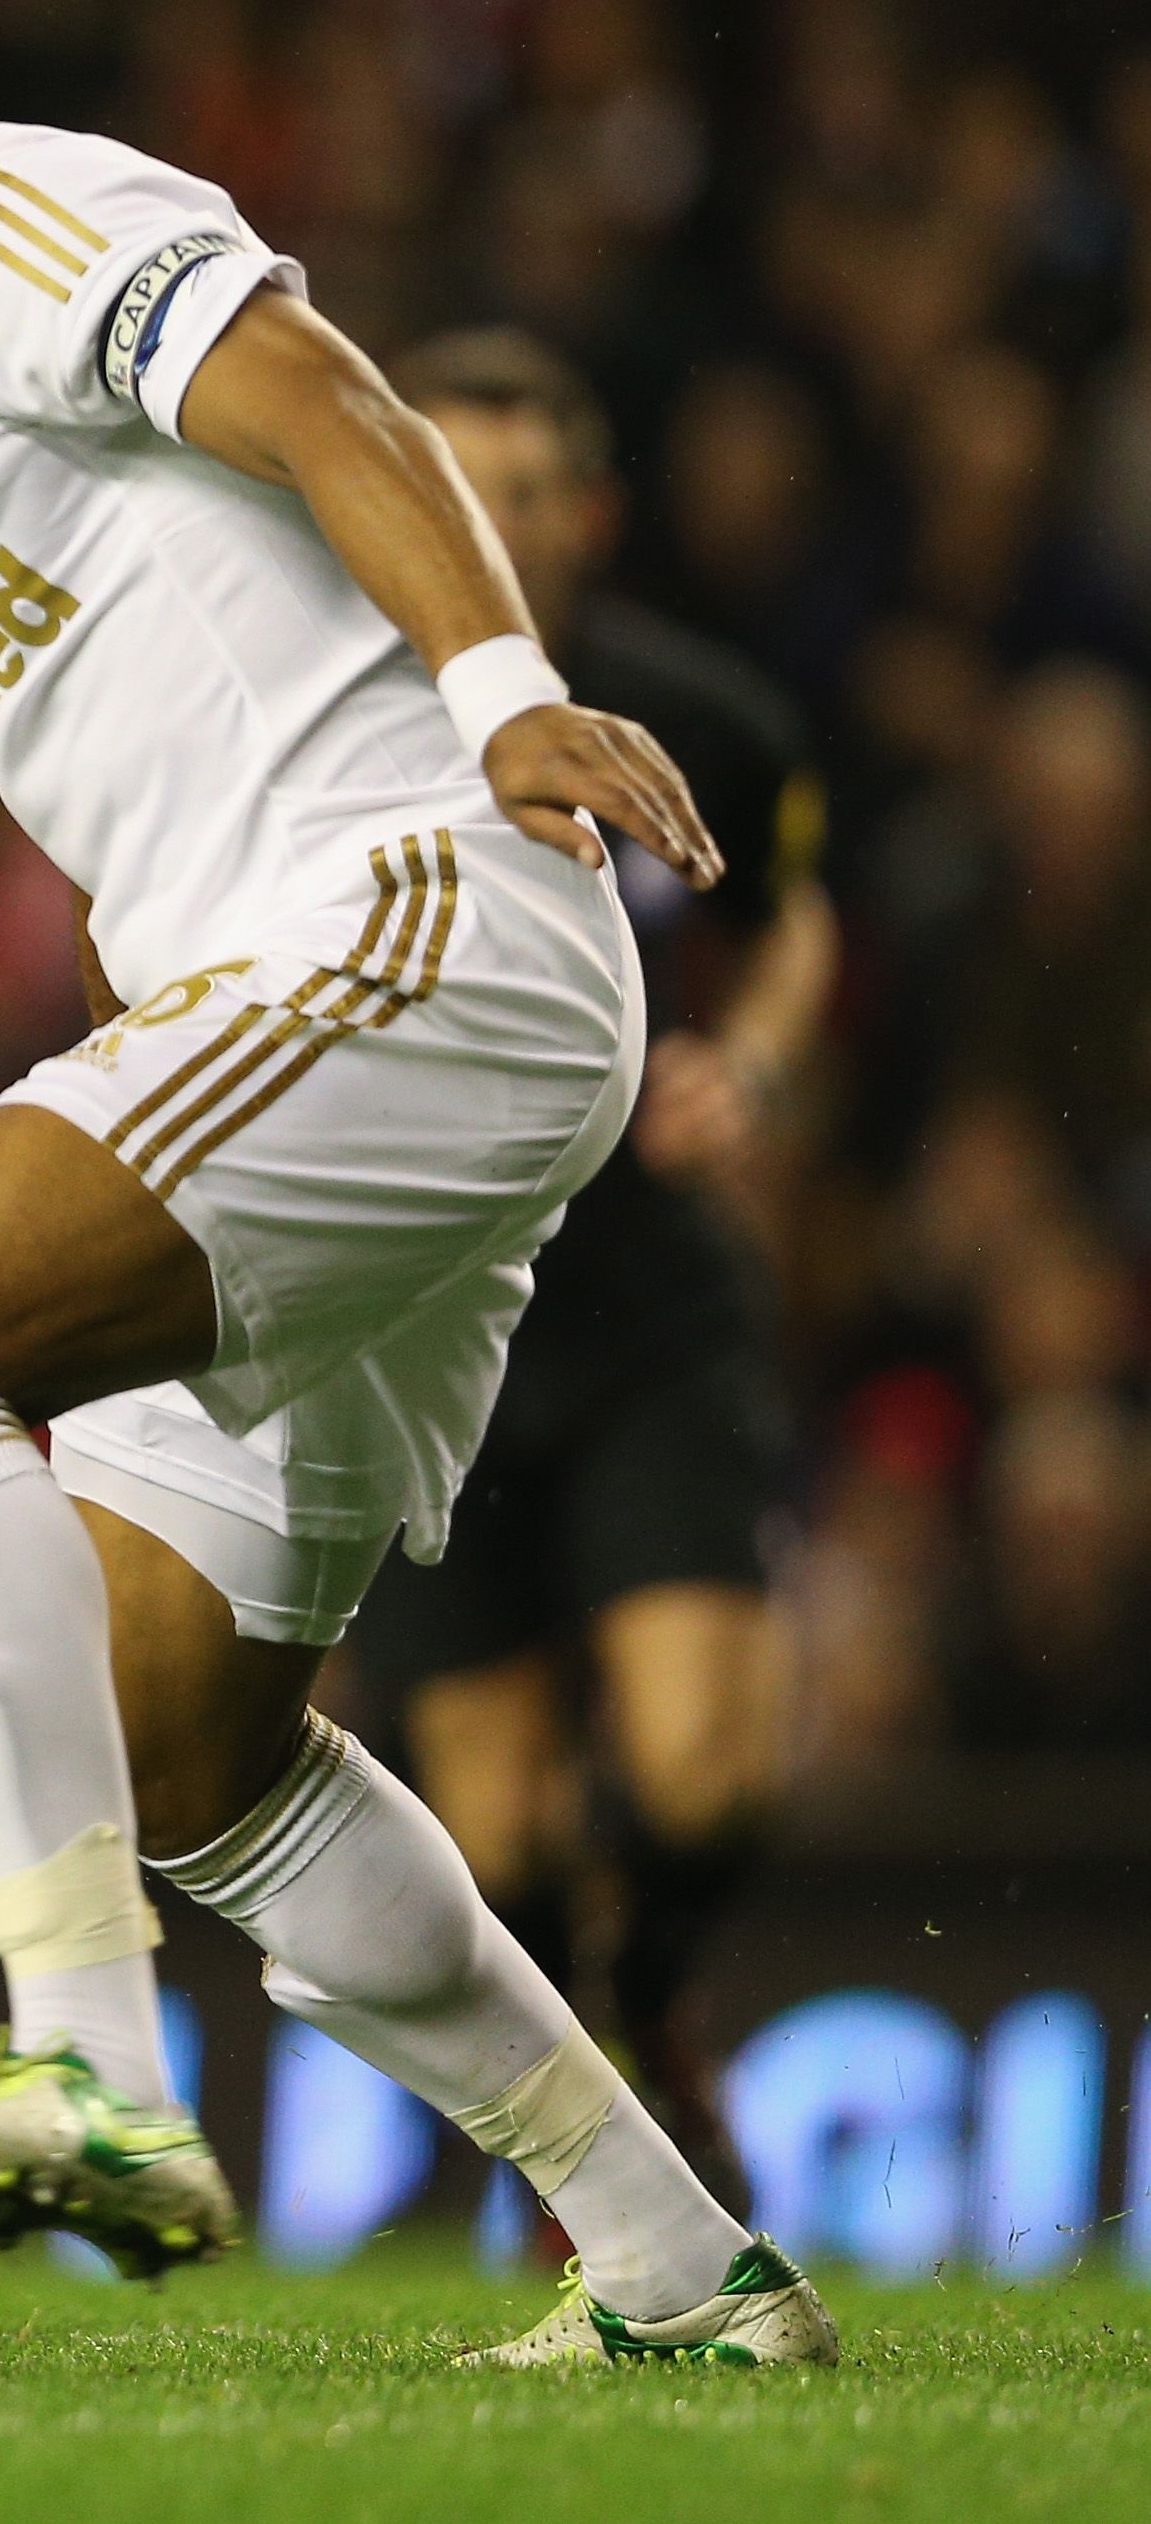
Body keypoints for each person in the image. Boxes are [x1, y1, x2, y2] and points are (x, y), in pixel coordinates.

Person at [0, 0, 835, 2367]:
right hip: (299, 999)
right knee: (185, 1741)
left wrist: (500, 693)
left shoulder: (3, 207)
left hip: (411, 923)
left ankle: (86, 2062)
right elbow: (139, 766)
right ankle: (678, 2271)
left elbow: (323, 393)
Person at [355, 330, 828, 2207]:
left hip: (644, 1307)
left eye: (529, 490)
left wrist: (753, 1062)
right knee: (493, 1838)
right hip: (423, 1317)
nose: (494, 521)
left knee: (706, 1773)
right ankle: (598, 2169)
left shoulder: (693, 716)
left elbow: (789, 918)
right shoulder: (328, 710)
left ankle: (660, 1985)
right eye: (455, 483)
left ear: (594, 514)